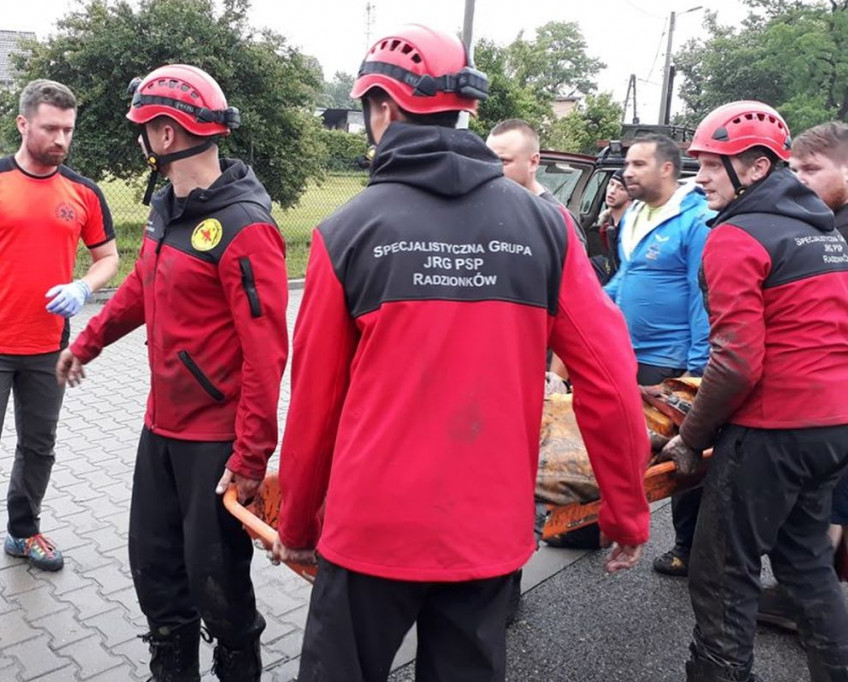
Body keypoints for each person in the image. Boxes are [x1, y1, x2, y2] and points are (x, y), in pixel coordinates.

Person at [271, 24, 651, 682]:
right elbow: (612, 379)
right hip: (486, 532)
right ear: (462, 112)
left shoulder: (347, 232)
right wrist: (625, 508)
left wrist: (299, 522)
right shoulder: (546, 227)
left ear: (384, 108)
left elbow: (315, 402)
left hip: (370, 530)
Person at [56, 64, 288, 682]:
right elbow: (141, 284)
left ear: (164, 135)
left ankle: (238, 665)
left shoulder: (245, 227)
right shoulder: (169, 207)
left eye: (143, 130)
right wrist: (89, 343)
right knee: (155, 568)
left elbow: (267, 354)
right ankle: (172, 665)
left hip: (215, 442)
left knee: (217, 581)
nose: (141, 141)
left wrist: (250, 456)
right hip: (160, 428)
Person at [662, 100, 848, 682]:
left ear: (758, 167)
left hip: (772, 430)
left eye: (712, 164)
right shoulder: (823, 233)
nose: (700, 177)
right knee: (807, 561)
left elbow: (737, 361)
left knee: (722, 571)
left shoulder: (737, 236)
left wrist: (692, 436)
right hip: (833, 427)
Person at [0, 79, 119, 623]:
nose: (61, 139)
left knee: (40, 447)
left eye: (68, 130)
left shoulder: (83, 193)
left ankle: (23, 530)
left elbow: (108, 257)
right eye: (50, 128)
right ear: (23, 123)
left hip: (48, 349)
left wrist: (84, 286)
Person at [751, 120, 848, 633]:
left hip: (826, 400)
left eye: (812, 169)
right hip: (828, 399)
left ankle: (802, 600)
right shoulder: (823, 223)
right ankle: (807, 595)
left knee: (827, 509)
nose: (800, 180)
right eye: (794, 169)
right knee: (823, 509)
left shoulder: (836, 232)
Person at [604, 133, 712, 578]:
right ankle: (597, 526)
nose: (627, 172)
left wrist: (697, 368)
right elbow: (626, 276)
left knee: (678, 458)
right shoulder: (634, 214)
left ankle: (689, 547)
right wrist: (590, 307)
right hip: (623, 353)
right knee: (620, 444)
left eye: (638, 164)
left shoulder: (696, 219)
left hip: (670, 358)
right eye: (627, 164)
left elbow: (701, 294)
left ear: (667, 168)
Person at [486, 118, 588, 250]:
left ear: (533, 162)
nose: (492, 168)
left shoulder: (559, 222)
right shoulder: (489, 209)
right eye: (488, 160)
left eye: (503, 161)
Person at [591, 169, 631, 279]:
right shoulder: (606, 225)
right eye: (611, 184)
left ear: (630, 196)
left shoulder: (632, 227)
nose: (612, 191)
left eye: (621, 188)